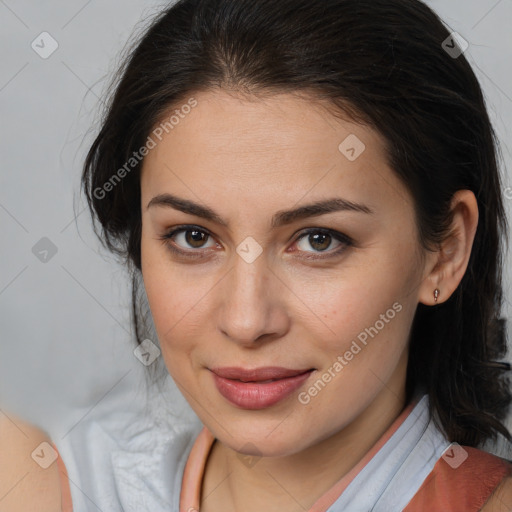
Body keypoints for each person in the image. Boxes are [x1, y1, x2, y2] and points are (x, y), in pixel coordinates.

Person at [3, 0, 512, 510]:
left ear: (445, 250)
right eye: (193, 237)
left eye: (319, 240)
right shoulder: (47, 482)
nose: (246, 322)